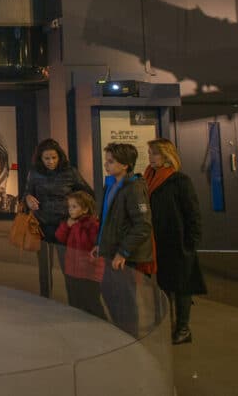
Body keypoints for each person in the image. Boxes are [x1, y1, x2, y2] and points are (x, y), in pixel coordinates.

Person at [144, 138, 206, 345]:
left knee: (182, 288)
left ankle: (183, 328)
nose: (150, 157)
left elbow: (193, 214)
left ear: (166, 155)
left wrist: (190, 244)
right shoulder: (148, 177)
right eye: (150, 153)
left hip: (178, 244)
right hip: (157, 242)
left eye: (154, 153)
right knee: (162, 287)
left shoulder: (179, 180)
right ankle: (163, 325)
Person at [93, 142, 153, 338]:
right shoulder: (111, 184)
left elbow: (142, 225)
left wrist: (123, 252)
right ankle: (121, 333)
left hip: (124, 257)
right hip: (110, 251)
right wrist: (99, 243)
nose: (106, 165)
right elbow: (107, 219)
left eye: (111, 162)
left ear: (125, 165)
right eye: (106, 161)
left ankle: (131, 338)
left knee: (125, 300)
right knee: (111, 295)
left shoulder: (133, 188)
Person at [24, 139, 92, 298]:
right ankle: (45, 299)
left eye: (54, 157)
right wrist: (28, 198)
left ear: (60, 156)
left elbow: (88, 194)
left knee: (69, 266)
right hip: (42, 224)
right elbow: (27, 192)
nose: (51, 162)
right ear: (40, 158)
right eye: (46, 158)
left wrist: (77, 214)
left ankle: (74, 299)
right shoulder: (34, 172)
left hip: (66, 225)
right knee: (45, 268)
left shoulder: (70, 172)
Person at [55, 190, 106, 320]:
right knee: (75, 302)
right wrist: (67, 226)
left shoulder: (92, 225)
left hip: (89, 272)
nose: (70, 210)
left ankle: (101, 326)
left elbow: (93, 245)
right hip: (72, 270)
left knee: (92, 302)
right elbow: (60, 237)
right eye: (69, 207)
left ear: (85, 209)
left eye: (74, 207)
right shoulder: (70, 223)